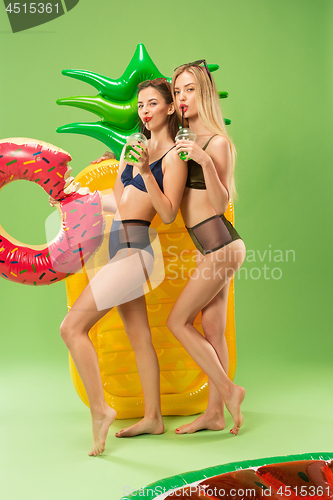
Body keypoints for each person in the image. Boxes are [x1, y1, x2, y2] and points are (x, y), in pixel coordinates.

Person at [51, 78, 187, 455]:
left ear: (170, 108)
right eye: (141, 105)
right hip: (120, 250)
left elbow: (168, 213)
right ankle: (154, 417)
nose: (144, 110)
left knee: (71, 328)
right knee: (139, 336)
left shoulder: (174, 156)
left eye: (153, 104)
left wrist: (144, 170)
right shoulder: (134, 149)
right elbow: (116, 204)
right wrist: (72, 198)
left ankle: (100, 411)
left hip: (137, 252)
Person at [166, 61, 246, 436]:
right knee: (212, 327)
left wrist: (204, 163)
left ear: (205, 94)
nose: (182, 98)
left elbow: (219, 203)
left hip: (221, 245)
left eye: (190, 90)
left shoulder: (217, 143)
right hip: (210, 247)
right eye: (178, 91)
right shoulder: (180, 140)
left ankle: (230, 392)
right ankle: (215, 414)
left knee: (177, 322)